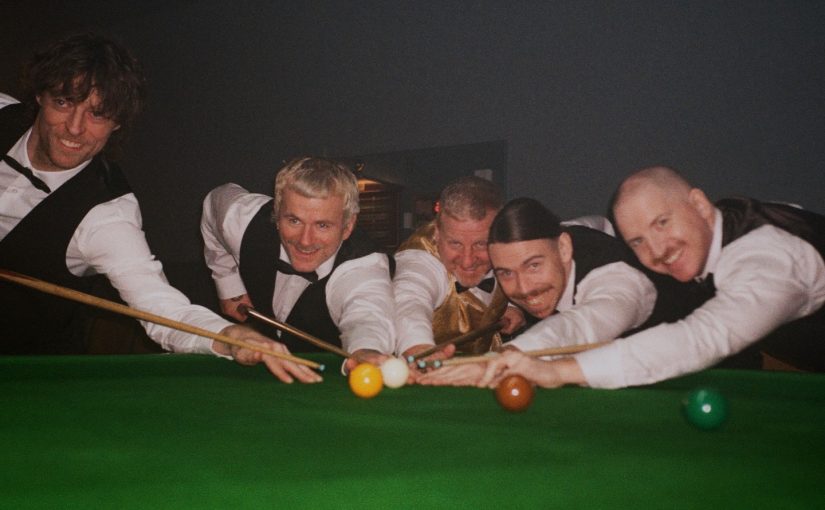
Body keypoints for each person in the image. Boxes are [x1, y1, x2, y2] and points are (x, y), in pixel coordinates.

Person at [0, 33, 319, 383]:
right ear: (40, 96)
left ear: (117, 123)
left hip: (24, 371)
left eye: (98, 114)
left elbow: (162, 308)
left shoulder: (106, 216)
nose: (75, 128)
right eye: (63, 102)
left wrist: (229, 336)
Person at [463, 166, 825, 390]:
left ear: (699, 205)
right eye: (637, 240)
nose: (657, 250)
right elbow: (593, 224)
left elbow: (701, 337)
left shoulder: (767, 258)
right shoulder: (725, 221)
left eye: (662, 223)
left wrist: (551, 369)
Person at [418, 197, 656, 386]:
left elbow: (581, 324)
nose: (524, 289)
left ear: (564, 248)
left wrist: (505, 357)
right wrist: (513, 306)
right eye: (506, 273)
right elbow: (596, 223)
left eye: (533, 266)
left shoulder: (619, 279)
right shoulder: (556, 237)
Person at [201, 156, 396, 370]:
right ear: (277, 214)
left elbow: (368, 316)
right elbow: (214, 202)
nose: (305, 241)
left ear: (348, 226)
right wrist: (230, 287)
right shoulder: (246, 221)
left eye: (322, 225)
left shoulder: (363, 264)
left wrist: (366, 350)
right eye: (294, 221)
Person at [393, 176, 525, 361]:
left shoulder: (510, 245)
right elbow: (408, 299)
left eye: (481, 244)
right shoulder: (419, 259)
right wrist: (418, 348)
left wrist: (512, 305)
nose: (467, 261)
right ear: (437, 234)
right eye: (455, 244)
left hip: (486, 366)